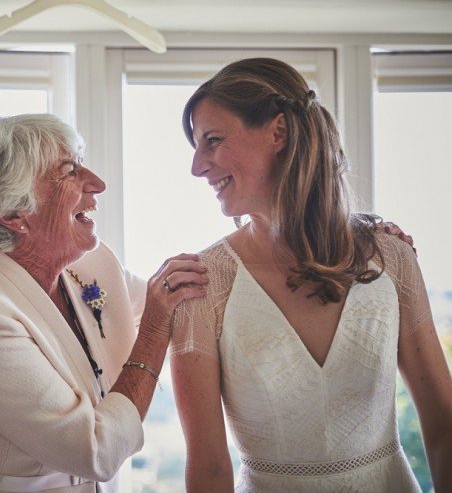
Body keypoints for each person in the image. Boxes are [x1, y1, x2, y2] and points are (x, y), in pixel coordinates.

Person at [170, 57, 452, 492]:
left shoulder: (392, 257)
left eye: (213, 140)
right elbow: (208, 468)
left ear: (278, 132)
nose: (197, 166)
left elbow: (444, 426)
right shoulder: (202, 286)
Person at [0, 113, 208, 492]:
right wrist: (155, 328)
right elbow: (95, 452)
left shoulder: (91, 263)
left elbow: (178, 305)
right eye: (70, 171)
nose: (97, 184)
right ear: (13, 213)